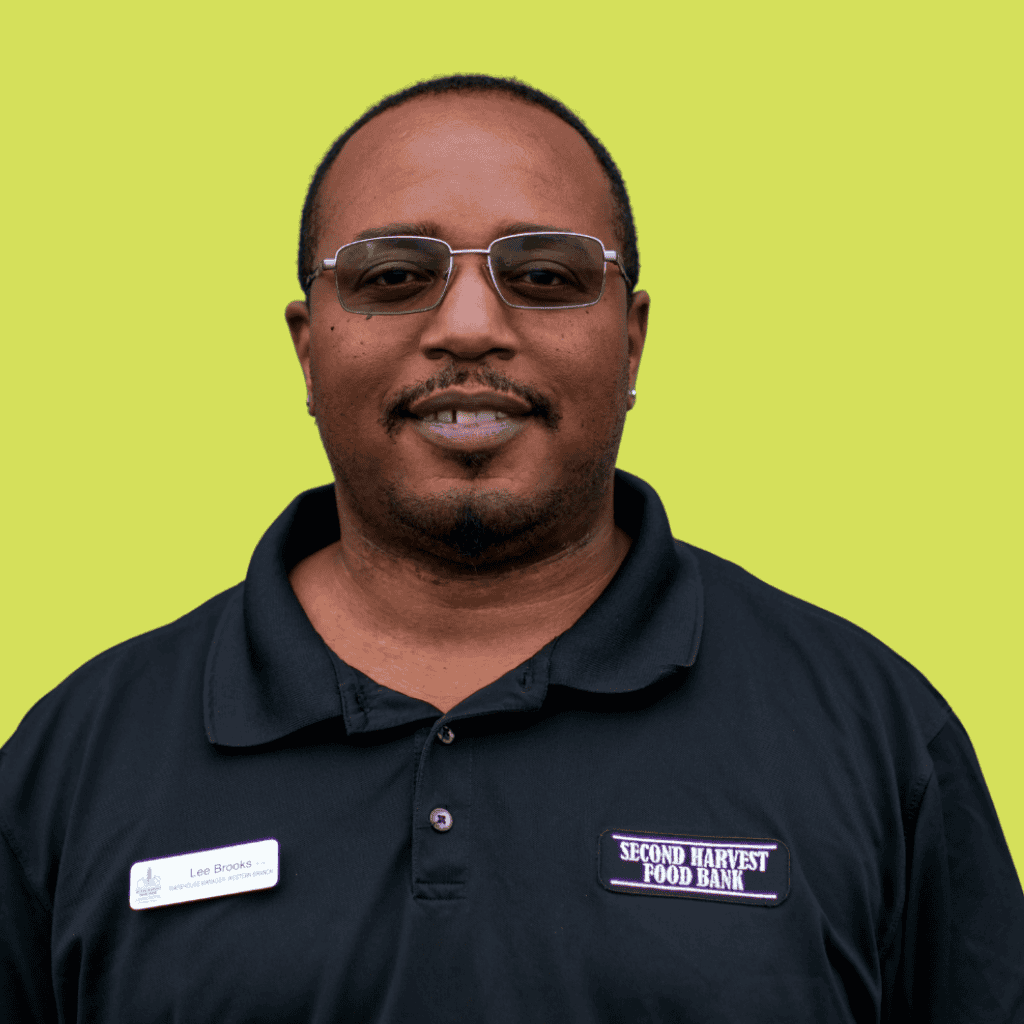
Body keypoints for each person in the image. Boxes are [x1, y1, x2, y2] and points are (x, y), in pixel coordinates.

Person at [1, 74, 1021, 1023]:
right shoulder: (78, 760)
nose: (471, 327)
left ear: (631, 339)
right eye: (396, 274)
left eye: (542, 274)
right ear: (307, 349)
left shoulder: (872, 734)